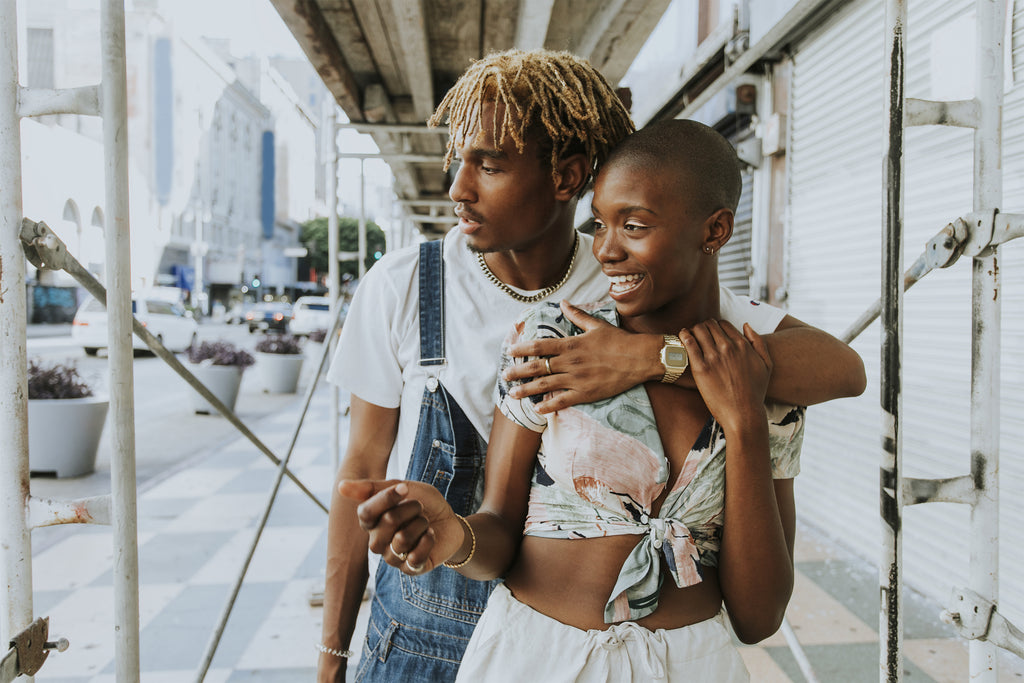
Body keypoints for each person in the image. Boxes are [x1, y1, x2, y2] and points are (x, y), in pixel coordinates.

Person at [319, 49, 865, 683]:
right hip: (444, 624)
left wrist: (647, 357)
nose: (458, 189)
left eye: (489, 165)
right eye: (457, 161)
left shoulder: (644, 286)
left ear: (567, 177)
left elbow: (838, 368)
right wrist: (333, 653)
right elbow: (363, 470)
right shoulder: (413, 289)